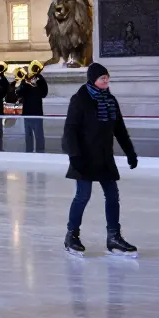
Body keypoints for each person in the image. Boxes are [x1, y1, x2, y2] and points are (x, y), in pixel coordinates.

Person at [62, 63, 139, 257]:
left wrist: (130, 152)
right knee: (83, 196)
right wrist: (74, 156)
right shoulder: (80, 100)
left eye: (107, 77)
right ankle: (72, 235)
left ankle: (114, 236)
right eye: (102, 78)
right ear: (93, 79)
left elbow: (119, 129)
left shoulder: (110, 100)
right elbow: (70, 129)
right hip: (84, 157)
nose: (106, 80)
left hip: (104, 157)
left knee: (113, 196)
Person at [15, 66, 49, 153]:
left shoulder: (40, 79)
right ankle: (28, 152)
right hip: (26, 112)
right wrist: (24, 84)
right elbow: (19, 93)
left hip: (37, 112)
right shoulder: (24, 80)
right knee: (28, 135)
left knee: (39, 135)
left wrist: (36, 85)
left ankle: (40, 152)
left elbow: (44, 93)